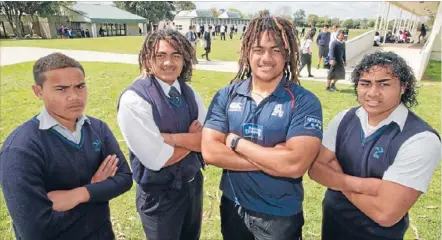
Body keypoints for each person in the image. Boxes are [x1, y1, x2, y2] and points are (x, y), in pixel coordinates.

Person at [202, 16, 323, 240]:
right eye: (258, 49)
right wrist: (275, 160)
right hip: (233, 206)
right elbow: (210, 152)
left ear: (287, 55)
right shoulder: (227, 95)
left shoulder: (304, 101)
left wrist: (237, 143)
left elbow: (295, 165)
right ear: (247, 52)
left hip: (279, 215)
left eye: (275, 50)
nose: (266, 58)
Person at [0, 53, 133, 240]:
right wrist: (97, 191)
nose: (74, 96)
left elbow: (125, 179)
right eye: (61, 89)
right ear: (38, 91)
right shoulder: (20, 149)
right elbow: (35, 230)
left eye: (80, 86)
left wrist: (79, 194)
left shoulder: (97, 128)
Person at [309, 51, 441, 240]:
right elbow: (315, 169)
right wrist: (369, 186)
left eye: (384, 84)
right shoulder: (345, 119)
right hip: (332, 226)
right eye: (365, 83)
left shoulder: (421, 139)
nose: (372, 93)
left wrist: (335, 178)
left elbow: (386, 214)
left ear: (404, 86)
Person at [117, 29, 206, 240]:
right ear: (148, 59)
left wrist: (171, 139)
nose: (169, 62)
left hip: (192, 187)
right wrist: (192, 139)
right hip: (159, 198)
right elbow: (158, 158)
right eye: (161, 55)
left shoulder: (190, 93)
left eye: (176, 55)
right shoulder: (134, 99)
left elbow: (208, 139)